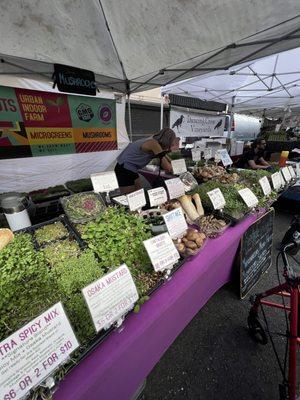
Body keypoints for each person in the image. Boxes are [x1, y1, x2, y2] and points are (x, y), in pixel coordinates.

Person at [115, 128, 179, 194]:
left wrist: (174, 163)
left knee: (138, 190)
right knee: (129, 195)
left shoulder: (153, 141)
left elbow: (164, 157)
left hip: (132, 168)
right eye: (172, 143)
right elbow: (167, 167)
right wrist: (178, 168)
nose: (172, 145)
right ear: (168, 140)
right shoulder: (153, 144)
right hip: (124, 168)